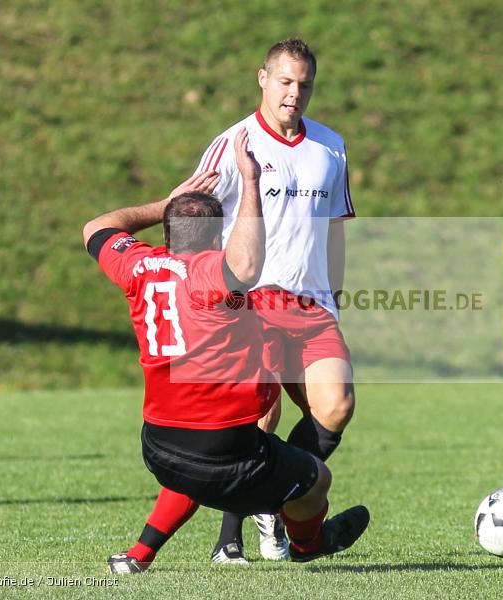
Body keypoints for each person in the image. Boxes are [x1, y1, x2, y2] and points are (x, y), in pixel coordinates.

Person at [83, 128, 368, 573]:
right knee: (317, 479)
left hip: (157, 444)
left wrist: (167, 202)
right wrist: (251, 183)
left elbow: (96, 228)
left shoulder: (138, 266)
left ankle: (138, 556)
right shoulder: (216, 275)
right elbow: (248, 264)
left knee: (193, 463)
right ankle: (309, 546)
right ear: (217, 239)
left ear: (168, 230)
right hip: (226, 449)